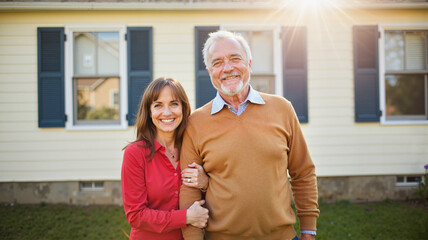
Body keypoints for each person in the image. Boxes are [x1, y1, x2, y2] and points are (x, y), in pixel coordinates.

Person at [179, 30, 320, 240]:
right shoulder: (196, 122)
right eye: (217, 62)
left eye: (235, 59)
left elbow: (303, 172)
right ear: (210, 71)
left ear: (250, 65)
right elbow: (189, 189)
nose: (227, 68)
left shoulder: (282, 109)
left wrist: (308, 229)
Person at [121, 77, 210, 240]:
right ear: (149, 111)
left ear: (183, 108)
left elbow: (206, 202)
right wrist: (185, 217)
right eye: (158, 105)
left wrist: (205, 184)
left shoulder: (194, 149)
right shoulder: (135, 154)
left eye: (174, 104)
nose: (167, 113)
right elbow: (136, 216)